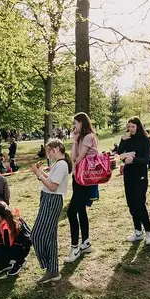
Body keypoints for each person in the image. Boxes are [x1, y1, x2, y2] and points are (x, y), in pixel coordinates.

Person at [30, 139, 70, 284]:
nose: (48, 154)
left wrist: (39, 175)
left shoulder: (62, 164)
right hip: (48, 198)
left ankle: (49, 267)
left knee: (36, 235)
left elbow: (53, 186)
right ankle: (53, 270)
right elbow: (50, 181)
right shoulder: (58, 164)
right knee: (50, 237)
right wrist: (39, 172)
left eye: (49, 150)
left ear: (58, 148)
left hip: (52, 200)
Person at [117, 117, 150, 245]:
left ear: (138, 126)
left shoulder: (146, 139)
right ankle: (138, 231)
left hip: (140, 174)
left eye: (133, 126)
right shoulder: (128, 138)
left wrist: (133, 160)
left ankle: (149, 231)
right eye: (129, 126)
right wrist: (123, 140)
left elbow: (147, 159)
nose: (131, 129)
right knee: (131, 203)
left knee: (139, 202)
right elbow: (120, 152)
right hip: (128, 174)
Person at [65, 112, 97, 263]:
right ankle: (85, 242)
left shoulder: (89, 136)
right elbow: (73, 158)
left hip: (85, 179)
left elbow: (78, 159)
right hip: (78, 178)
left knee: (71, 211)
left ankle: (75, 247)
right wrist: (74, 141)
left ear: (82, 123)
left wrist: (75, 158)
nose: (74, 126)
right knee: (80, 209)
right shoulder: (80, 138)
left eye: (76, 123)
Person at [0, 202, 31, 277]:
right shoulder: (13, 217)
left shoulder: (6, 225)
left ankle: (19, 261)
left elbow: (7, 245)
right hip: (24, 247)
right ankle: (6, 264)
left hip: (20, 250)